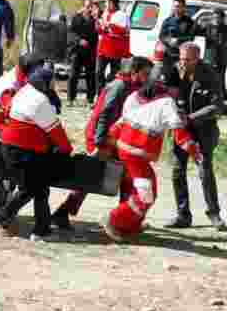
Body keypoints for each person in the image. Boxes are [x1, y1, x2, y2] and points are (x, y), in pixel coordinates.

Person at [51, 57, 152, 230]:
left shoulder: (133, 86)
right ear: (134, 72)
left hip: (115, 139)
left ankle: (125, 219)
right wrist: (100, 143)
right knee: (91, 177)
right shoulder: (119, 86)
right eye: (145, 74)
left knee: (126, 178)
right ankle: (62, 212)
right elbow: (104, 114)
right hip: (102, 138)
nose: (147, 77)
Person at [102, 65, 201, 242]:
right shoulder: (167, 103)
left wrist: (109, 142)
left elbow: (120, 122)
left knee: (147, 191)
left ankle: (131, 224)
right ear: (171, 87)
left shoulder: (134, 96)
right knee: (146, 196)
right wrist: (195, 151)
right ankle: (115, 220)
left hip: (124, 149)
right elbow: (180, 134)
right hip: (137, 156)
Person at [0, 64, 74, 242]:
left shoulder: (25, 91)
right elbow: (56, 131)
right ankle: (1, 216)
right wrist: (66, 150)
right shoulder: (40, 101)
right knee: (31, 188)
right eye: (52, 83)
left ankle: (41, 230)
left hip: (13, 148)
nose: (53, 87)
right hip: (24, 151)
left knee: (40, 187)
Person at [163, 43, 226, 231]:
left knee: (204, 170)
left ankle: (214, 214)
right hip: (181, 129)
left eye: (187, 59)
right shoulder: (174, 70)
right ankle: (183, 215)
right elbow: (164, 94)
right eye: (181, 58)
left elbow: (217, 107)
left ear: (197, 58)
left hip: (203, 129)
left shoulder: (210, 75)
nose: (183, 62)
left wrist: (191, 118)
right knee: (177, 170)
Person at [0, 53, 45, 217]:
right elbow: (15, 112)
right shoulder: (9, 86)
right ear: (29, 71)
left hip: (7, 123)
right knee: (20, 161)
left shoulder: (21, 77)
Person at [158, 0, 205, 75]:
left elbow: (191, 37)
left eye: (179, 6)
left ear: (183, 8)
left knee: (182, 78)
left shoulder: (189, 22)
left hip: (183, 57)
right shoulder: (167, 21)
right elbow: (161, 36)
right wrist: (168, 40)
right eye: (175, 6)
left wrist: (178, 40)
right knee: (168, 77)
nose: (177, 8)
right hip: (169, 55)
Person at [96, 0, 131, 94]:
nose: (105, 5)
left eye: (106, 2)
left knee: (114, 74)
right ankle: (99, 95)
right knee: (99, 72)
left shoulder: (122, 15)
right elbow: (102, 30)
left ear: (112, 3)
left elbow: (124, 31)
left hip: (115, 50)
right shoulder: (105, 14)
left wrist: (110, 26)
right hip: (103, 48)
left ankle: (111, 93)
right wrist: (99, 27)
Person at [67, 0, 99, 107]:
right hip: (77, 50)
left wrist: (96, 17)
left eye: (91, 6)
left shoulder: (95, 20)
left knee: (90, 76)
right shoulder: (76, 18)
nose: (89, 9)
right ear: (83, 7)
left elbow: (99, 33)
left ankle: (90, 99)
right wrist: (79, 40)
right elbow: (70, 33)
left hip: (90, 51)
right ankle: (71, 99)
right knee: (73, 75)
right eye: (87, 6)